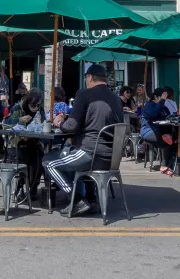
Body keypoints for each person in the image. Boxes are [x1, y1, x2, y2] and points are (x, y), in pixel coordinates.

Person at [43, 64, 124, 217]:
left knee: (49, 161)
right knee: (73, 158)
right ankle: (92, 200)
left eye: (86, 78)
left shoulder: (85, 94)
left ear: (89, 77)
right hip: (111, 158)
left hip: (90, 154)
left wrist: (59, 122)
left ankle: (77, 199)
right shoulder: (115, 98)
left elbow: (71, 126)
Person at [6, 88, 46, 204]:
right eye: (33, 105)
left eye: (38, 105)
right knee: (24, 159)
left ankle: (33, 188)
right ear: (27, 102)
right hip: (16, 143)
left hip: (34, 143)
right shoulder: (17, 108)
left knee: (39, 159)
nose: (35, 108)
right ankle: (20, 188)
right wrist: (20, 120)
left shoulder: (40, 111)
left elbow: (42, 126)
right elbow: (5, 123)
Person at [140, 88, 176, 176]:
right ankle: (165, 165)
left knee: (173, 140)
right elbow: (153, 113)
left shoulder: (163, 107)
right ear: (155, 96)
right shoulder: (149, 105)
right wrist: (162, 101)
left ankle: (169, 164)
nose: (163, 100)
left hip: (162, 130)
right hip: (149, 131)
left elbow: (168, 116)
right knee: (168, 140)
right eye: (161, 97)